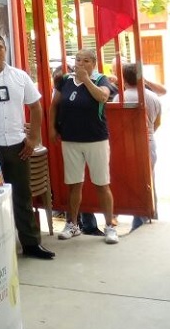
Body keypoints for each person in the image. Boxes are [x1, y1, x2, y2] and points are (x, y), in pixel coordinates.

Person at [0, 33, 55, 259]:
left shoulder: (19, 76)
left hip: (17, 146)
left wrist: (33, 138)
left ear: (5, 50)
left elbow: (36, 107)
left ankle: (31, 244)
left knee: (22, 197)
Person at [48, 48, 120, 244]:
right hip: (71, 139)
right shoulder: (65, 81)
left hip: (96, 139)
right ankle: (72, 224)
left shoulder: (100, 80)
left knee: (101, 184)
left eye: (86, 61)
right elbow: (54, 105)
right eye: (78, 60)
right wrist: (52, 128)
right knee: (74, 184)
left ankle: (110, 226)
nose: (81, 64)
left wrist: (86, 80)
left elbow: (102, 97)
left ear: (94, 64)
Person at [119, 63, 162, 231]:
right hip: (149, 141)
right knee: (149, 180)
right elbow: (158, 122)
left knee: (132, 183)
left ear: (124, 78)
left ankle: (138, 220)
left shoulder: (121, 97)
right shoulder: (152, 97)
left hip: (128, 146)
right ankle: (152, 214)